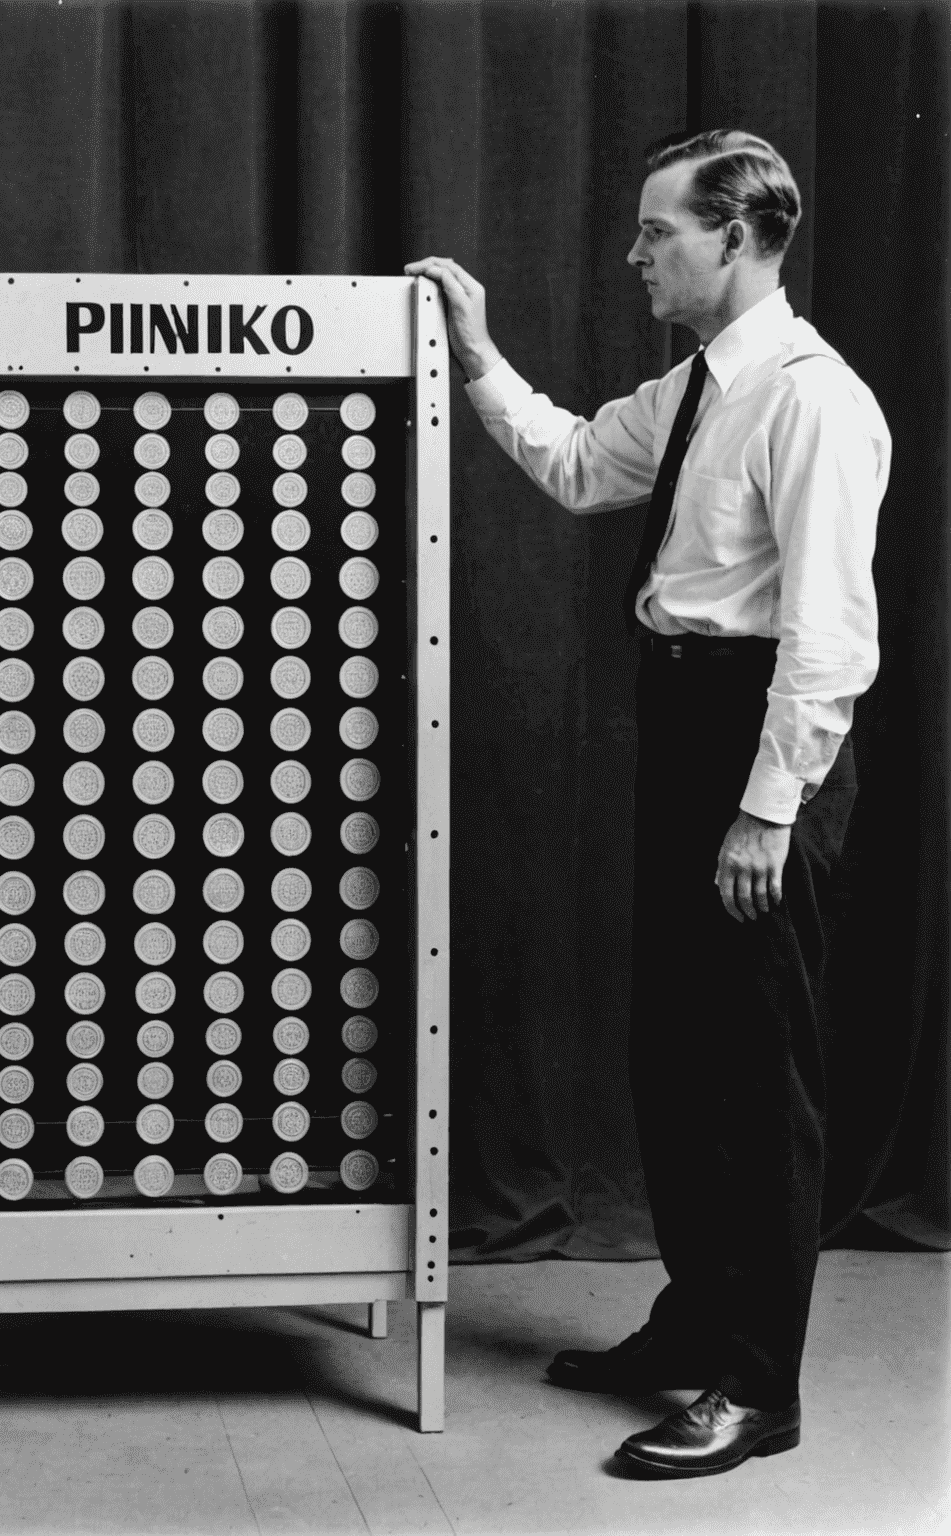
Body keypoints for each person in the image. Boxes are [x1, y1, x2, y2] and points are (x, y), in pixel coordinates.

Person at [408, 129, 889, 1478]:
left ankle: (757, 1385)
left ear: (735, 239)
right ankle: (697, 1323)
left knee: (757, 1074)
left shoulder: (810, 400)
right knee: (679, 1056)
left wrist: (769, 808)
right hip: (688, 727)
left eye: (657, 233)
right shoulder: (694, 392)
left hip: (762, 747)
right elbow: (570, 463)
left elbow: (830, 637)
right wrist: (478, 352)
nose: (634, 255)